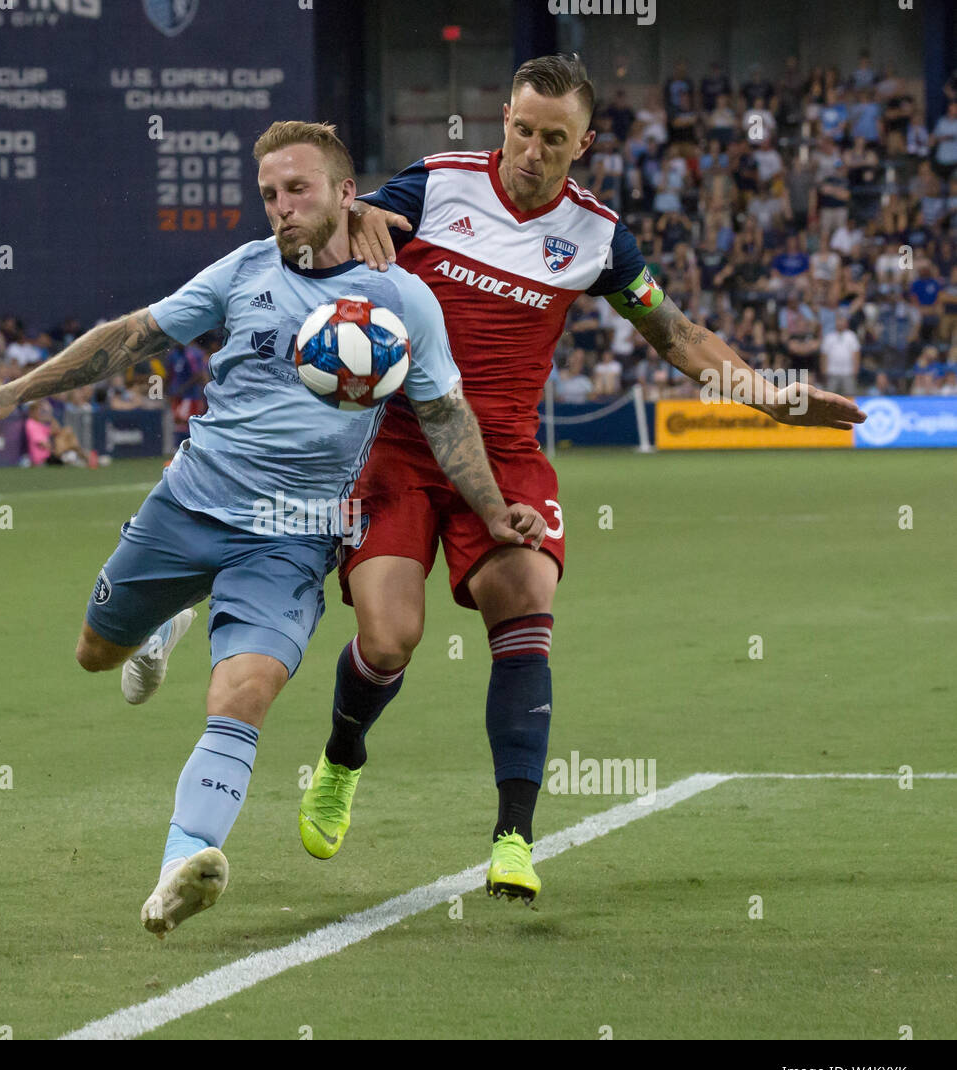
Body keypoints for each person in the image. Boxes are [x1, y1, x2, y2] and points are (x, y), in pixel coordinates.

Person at [0, 120, 540, 937]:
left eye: (297, 189)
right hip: (189, 504)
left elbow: (446, 417)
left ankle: (179, 866)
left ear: (347, 194)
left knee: (243, 694)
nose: (280, 208)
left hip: (292, 536)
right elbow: (132, 336)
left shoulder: (402, 300)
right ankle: (163, 622)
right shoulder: (244, 271)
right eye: (269, 194)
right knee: (96, 653)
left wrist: (492, 512)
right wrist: (11, 394)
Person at [329, 53, 865, 905]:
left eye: (554, 138)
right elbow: (357, 229)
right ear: (503, 117)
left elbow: (679, 335)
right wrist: (353, 229)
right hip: (400, 445)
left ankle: (513, 836)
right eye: (522, 129)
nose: (532, 151)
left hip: (504, 454)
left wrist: (768, 399)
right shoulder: (436, 185)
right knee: (390, 641)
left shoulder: (599, 236)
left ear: (583, 144)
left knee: (526, 598)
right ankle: (342, 756)